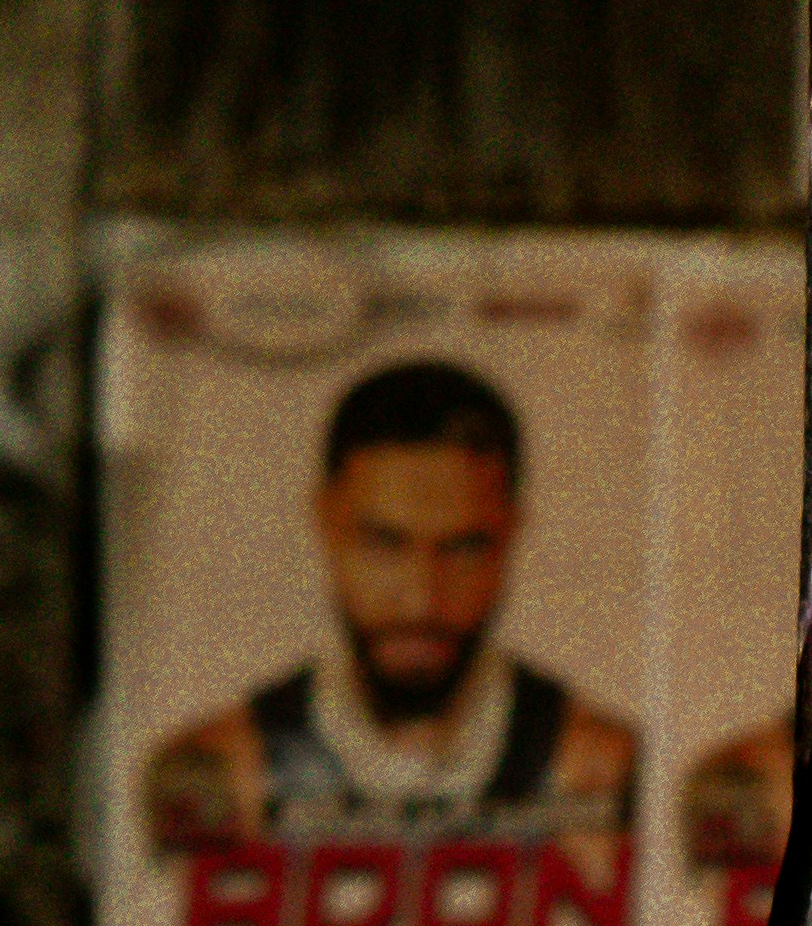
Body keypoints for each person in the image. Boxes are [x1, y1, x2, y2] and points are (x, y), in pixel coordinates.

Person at [143, 357, 635, 854]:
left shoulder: (603, 771)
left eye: (464, 547)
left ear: (512, 532)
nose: (422, 597)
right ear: (325, 521)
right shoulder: (226, 773)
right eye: (384, 543)